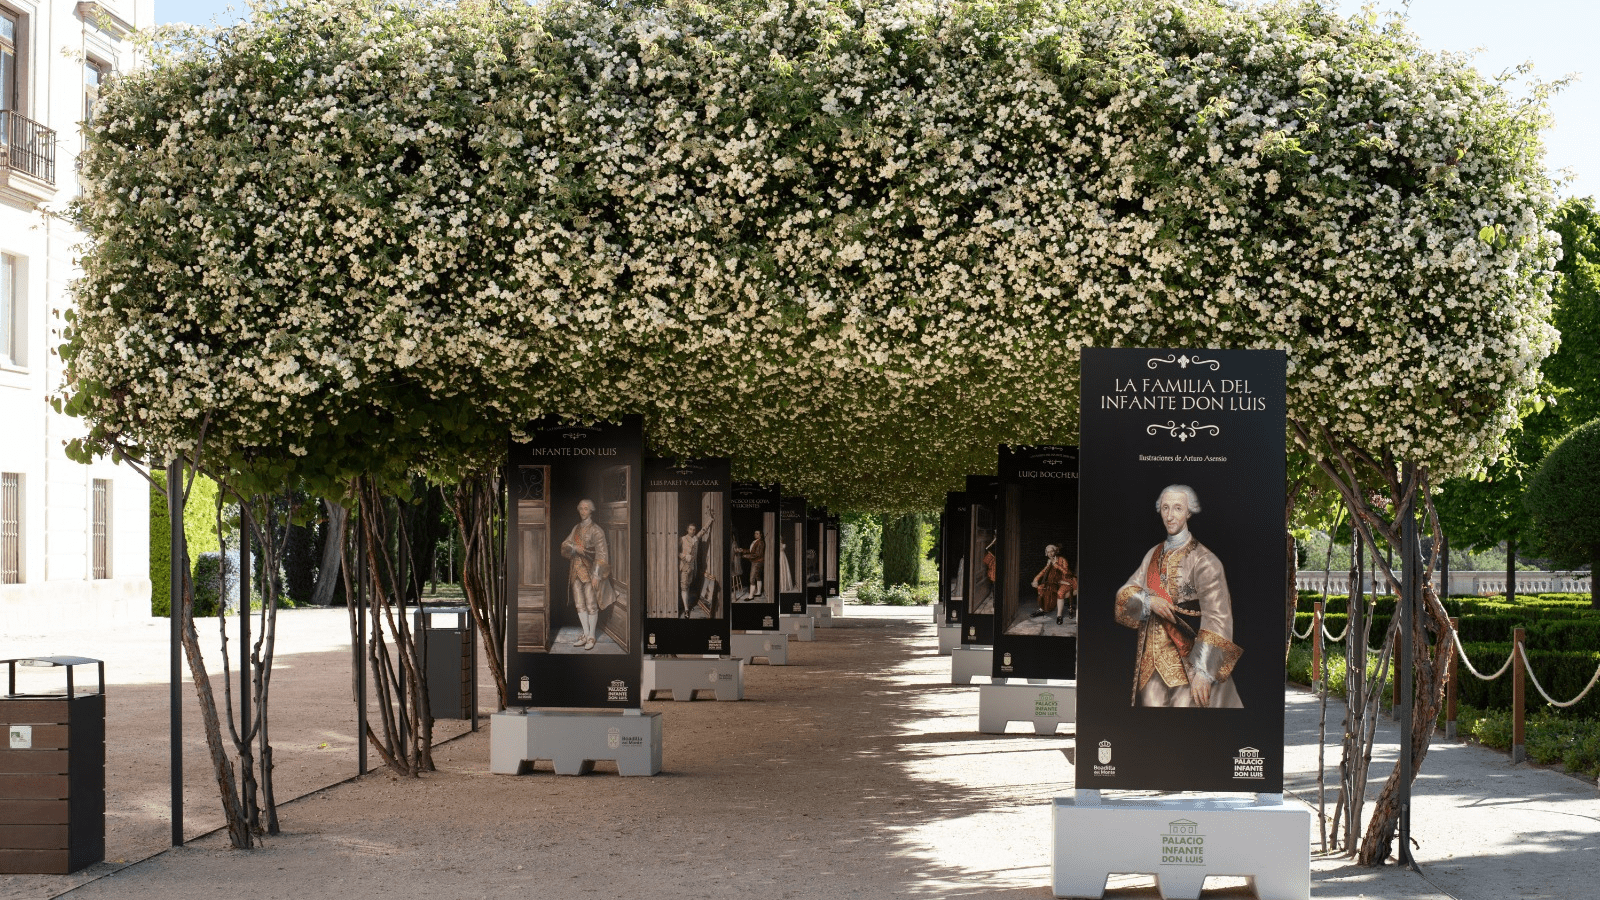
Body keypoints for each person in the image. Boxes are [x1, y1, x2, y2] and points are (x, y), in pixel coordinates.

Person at [1113, 485, 1243, 708]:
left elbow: (1218, 617)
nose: (1170, 516)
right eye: (1165, 508)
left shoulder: (1205, 560)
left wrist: (1204, 671)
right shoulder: (1152, 554)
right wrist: (1148, 601)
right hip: (1151, 669)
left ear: (1189, 512)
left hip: (1189, 665)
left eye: (1177, 508)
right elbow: (1124, 597)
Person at [560, 498, 609, 651]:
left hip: (589, 572)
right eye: (580, 508)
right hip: (575, 571)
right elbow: (564, 545)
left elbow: (602, 555)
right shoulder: (576, 528)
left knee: (591, 605)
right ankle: (586, 634)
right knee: (579, 604)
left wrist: (596, 575)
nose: (583, 511)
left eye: (586, 508)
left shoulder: (597, 530)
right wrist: (575, 548)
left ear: (591, 511)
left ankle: (592, 635)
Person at [678, 514, 715, 618]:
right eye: (690, 529)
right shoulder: (682, 539)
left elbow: (703, 530)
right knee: (684, 587)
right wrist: (684, 556)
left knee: (688, 586)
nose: (692, 531)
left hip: (693, 568)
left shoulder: (696, 538)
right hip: (684, 567)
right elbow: (675, 551)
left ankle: (687, 606)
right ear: (687, 529)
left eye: (694, 530)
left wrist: (710, 520)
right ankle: (686, 610)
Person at [1030, 544, 1077, 620]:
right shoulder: (1049, 561)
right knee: (1041, 587)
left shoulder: (1062, 559)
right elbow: (1043, 571)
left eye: (1052, 551)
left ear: (1055, 551)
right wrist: (1035, 579)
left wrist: (1056, 565)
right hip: (1055, 582)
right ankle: (1043, 608)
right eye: (1048, 552)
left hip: (1065, 581)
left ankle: (1059, 615)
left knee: (1060, 593)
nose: (1050, 554)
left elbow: (1066, 572)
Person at [740, 529, 766, 601]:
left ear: (760, 535)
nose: (755, 534)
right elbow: (751, 551)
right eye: (755, 533)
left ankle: (751, 596)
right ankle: (759, 592)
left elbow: (757, 554)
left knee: (752, 578)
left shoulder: (760, 542)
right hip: (756, 561)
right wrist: (743, 550)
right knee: (757, 576)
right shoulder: (755, 541)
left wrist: (746, 556)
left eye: (757, 533)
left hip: (757, 562)